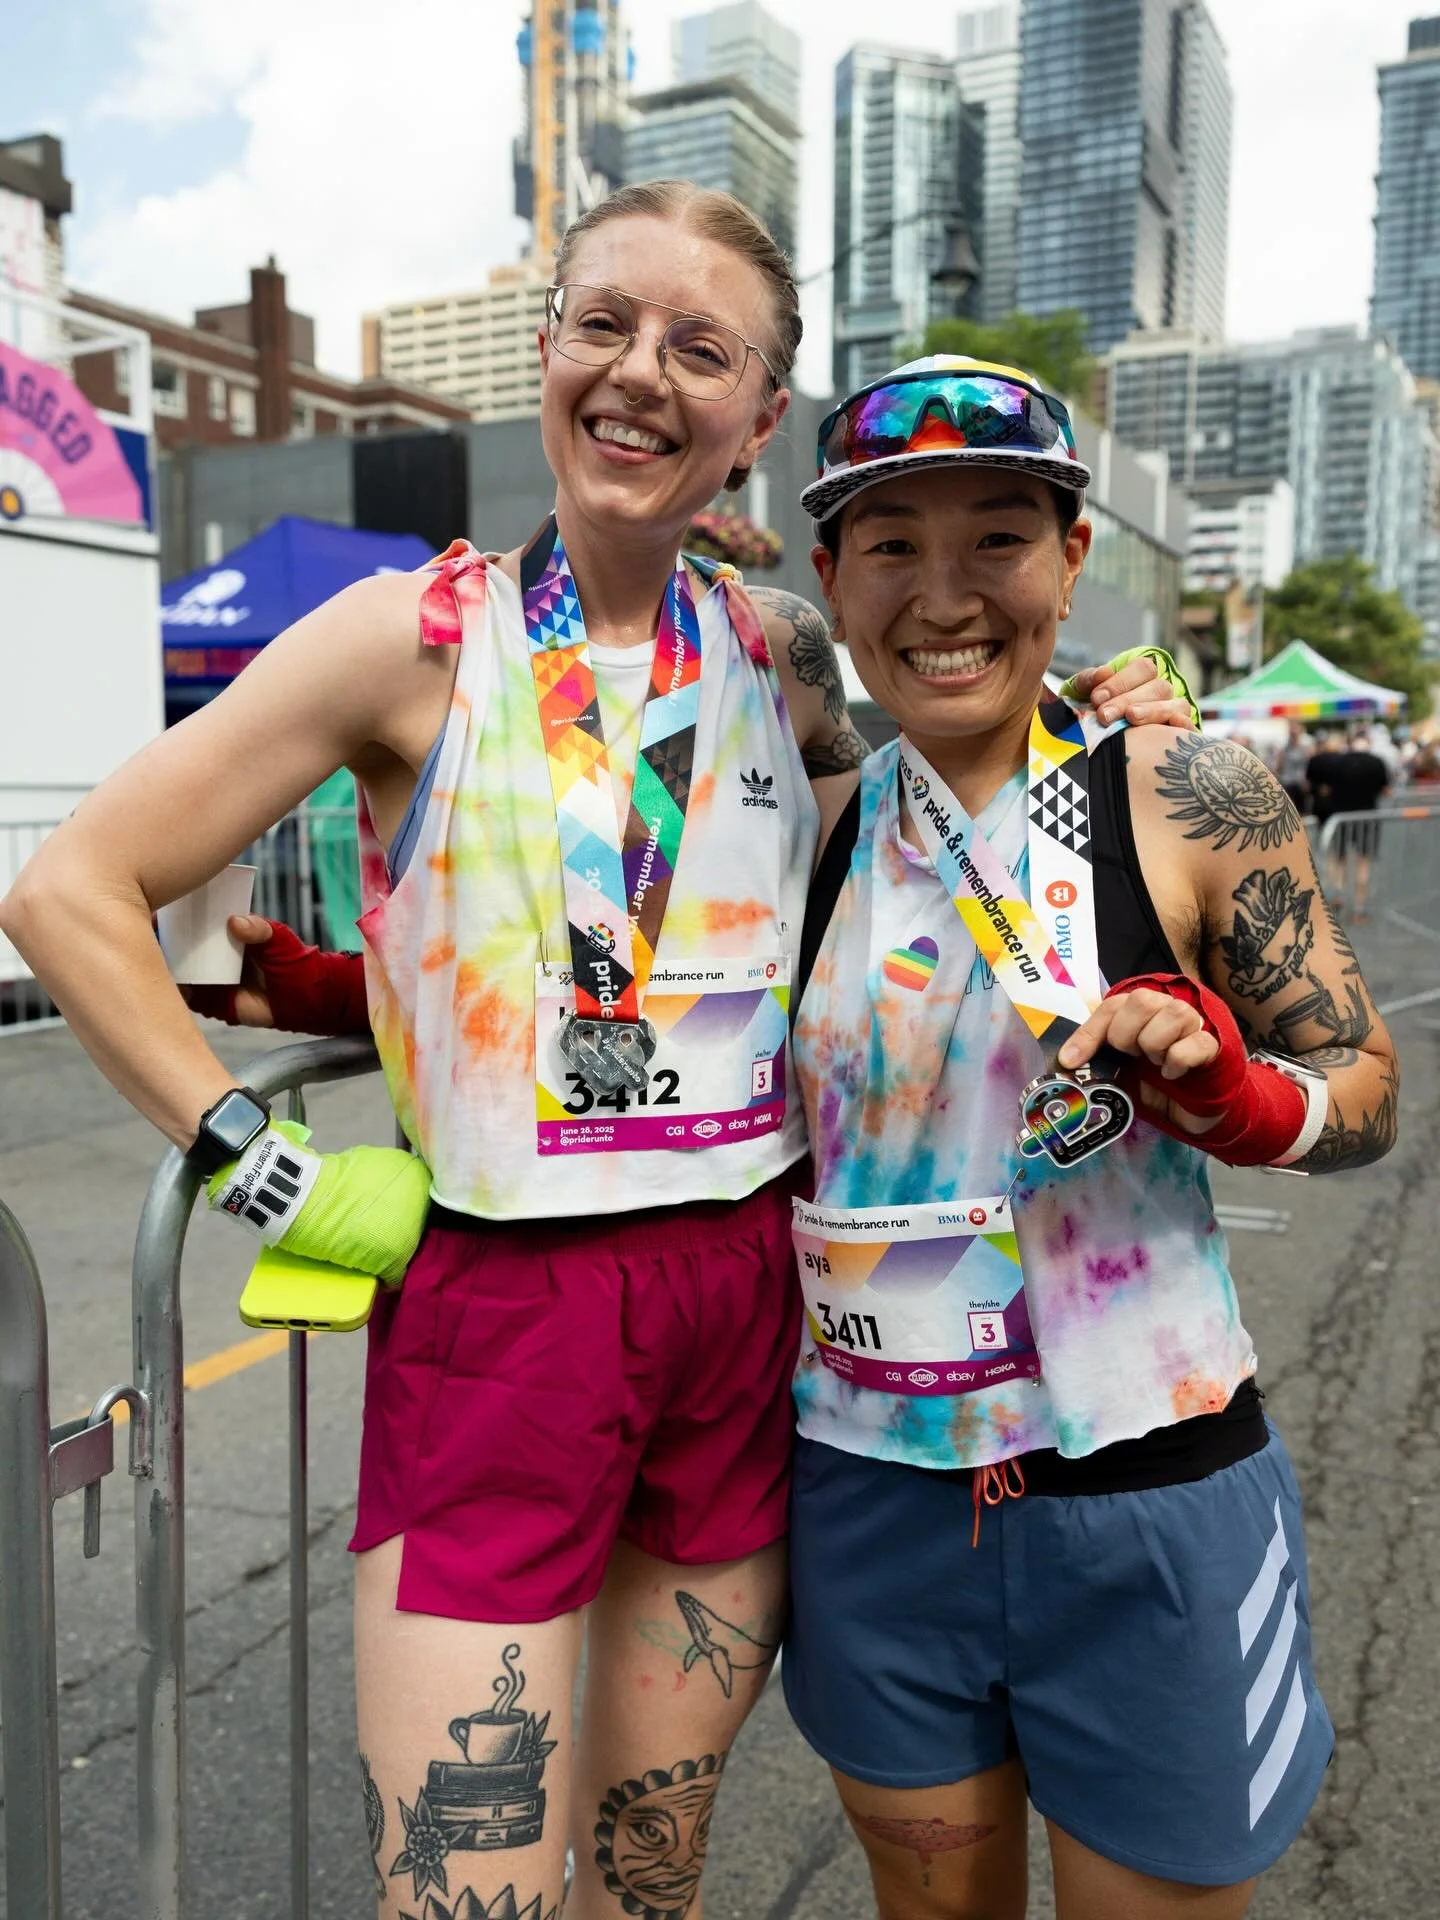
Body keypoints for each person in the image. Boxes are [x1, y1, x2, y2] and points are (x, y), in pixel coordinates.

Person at [0, 191, 1187, 1920]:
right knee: (469, 1895)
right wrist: (252, 1164)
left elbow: (926, 832)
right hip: (500, 1316)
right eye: (605, 324)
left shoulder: (783, 651)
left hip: (736, 1300)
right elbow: (70, 889)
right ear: (549, 349)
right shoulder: (414, 638)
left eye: (701, 348)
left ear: (759, 418)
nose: (643, 375)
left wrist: (1097, 722)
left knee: (648, 1878)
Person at [777, 356, 1398, 1919]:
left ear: (1071, 556)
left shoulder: (1189, 791)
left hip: (1145, 1487)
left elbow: (1366, 1090)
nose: (944, 593)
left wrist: (1232, 1096)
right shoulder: (824, 824)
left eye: (998, 536)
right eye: (892, 544)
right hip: (874, 1491)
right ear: (835, 583)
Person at [1276, 720, 1311, 815]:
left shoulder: (1306, 746)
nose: (1293, 732)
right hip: (1288, 782)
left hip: (1300, 783)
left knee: (1301, 810)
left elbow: (1309, 764)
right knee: (1290, 810)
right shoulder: (1284, 747)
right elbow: (1279, 766)